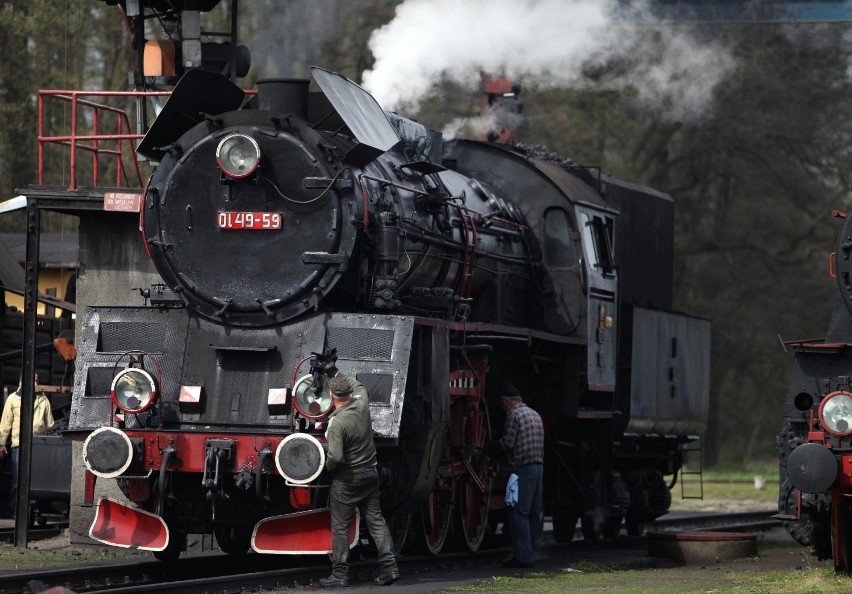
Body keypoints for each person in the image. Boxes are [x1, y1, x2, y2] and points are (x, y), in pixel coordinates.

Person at [320, 372, 400, 588]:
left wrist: (328, 469)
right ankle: (390, 568)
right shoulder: (362, 403)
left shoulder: (337, 423)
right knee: (376, 520)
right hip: (370, 474)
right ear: (349, 392)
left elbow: (336, 457)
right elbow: (360, 385)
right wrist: (335, 372)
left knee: (340, 526)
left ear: (332, 396)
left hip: (347, 480)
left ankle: (340, 574)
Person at [497, 385, 544, 568]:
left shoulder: (513, 416)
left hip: (522, 468)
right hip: (538, 467)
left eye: (503, 404)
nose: (503, 408)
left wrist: (493, 446)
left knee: (518, 513)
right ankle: (529, 553)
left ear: (508, 401)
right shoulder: (535, 414)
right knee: (533, 514)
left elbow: (508, 443)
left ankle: (523, 558)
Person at [0, 375, 54, 518]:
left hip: (38, 446)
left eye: (37, 380)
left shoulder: (43, 400)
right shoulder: (12, 399)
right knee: (18, 479)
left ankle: (33, 509)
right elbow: (5, 423)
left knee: (36, 479)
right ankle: (16, 509)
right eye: (32, 380)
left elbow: (50, 425)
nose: (35, 383)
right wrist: (1, 443)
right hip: (19, 444)